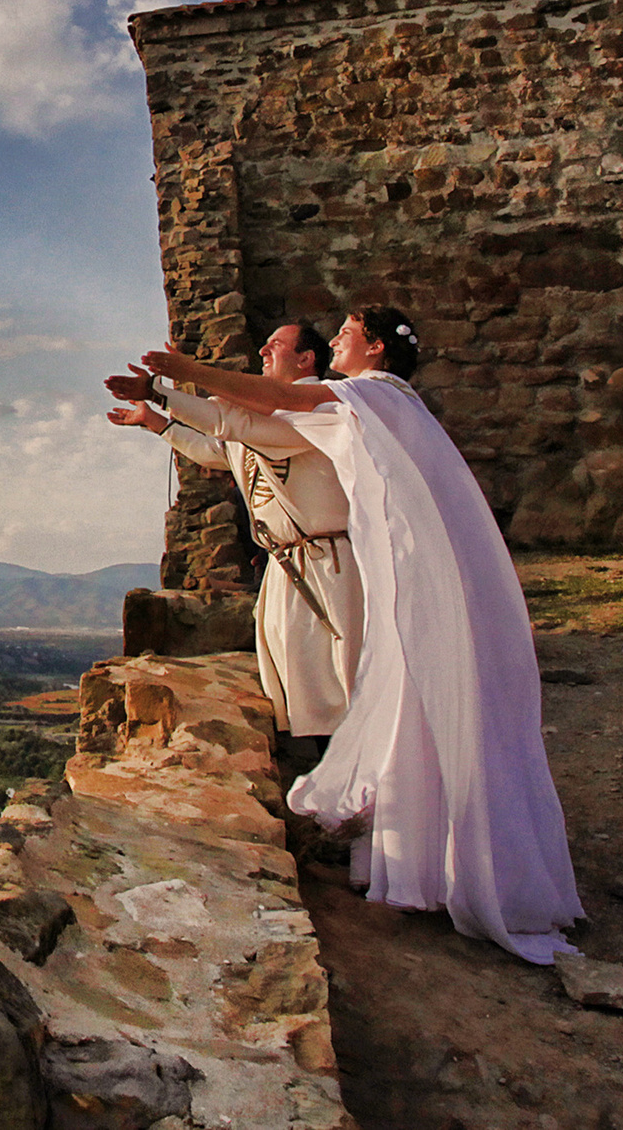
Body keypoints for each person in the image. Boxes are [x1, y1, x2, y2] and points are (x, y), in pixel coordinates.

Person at [140, 307, 583, 964]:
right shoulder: (380, 401)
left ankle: (415, 851)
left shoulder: (369, 392)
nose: (336, 338)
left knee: (379, 702)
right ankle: (423, 855)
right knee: (406, 712)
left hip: (348, 567)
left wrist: (181, 375)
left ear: (372, 347)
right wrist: (164, 403)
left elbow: (261, 410)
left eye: (345, 332)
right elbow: (235, 432)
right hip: (370, 569)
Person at [104, 322, 363, 737]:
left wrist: (164, 391)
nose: (262, 350)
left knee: (335, 684)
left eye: (275, 345)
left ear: (305, 358)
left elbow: (234, 425)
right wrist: (155, 419)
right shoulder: (267, 418)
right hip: (286, 566)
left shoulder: (319, 413)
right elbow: (216, 450)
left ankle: (356, 791)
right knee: (298, 684)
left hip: (328, 566)